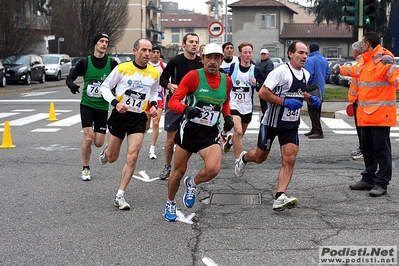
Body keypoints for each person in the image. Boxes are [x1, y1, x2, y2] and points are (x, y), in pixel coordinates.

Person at [234, 40, 321, 211]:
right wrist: (284, 103)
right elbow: (263, 92)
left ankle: (279, 196)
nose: (304, 56)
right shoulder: (280, 72)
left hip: (290, 124)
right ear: (290, 54)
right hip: (271, 123)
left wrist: (310, 98)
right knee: (260, 157)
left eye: (306, 54)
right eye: (300, 53)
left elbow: (297, 91)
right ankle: (244, 158)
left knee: (290, 158)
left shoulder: (305, 74)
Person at [163, 43, 233, 222]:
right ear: (202, 59)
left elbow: (224, 102)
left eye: (216, 58)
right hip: (189, 131)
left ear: (221, 60)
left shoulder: (227, 80)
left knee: (213, 169)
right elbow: (173, 102)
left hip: (209, 132)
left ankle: (192, 183)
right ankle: (170, 203)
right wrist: (186, 109)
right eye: (209, 57)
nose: (212, 62)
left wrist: (227, 115)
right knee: (178, 172)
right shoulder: (193, 76)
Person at [98, 38, 159, 210]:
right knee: (112, 158)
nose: (147, 54)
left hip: (138, 117)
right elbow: (104, 87)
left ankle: (120, 195)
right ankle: (107, 151)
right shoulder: (122, 69)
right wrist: (115, 103)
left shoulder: (154, 73)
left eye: (150, 50)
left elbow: (154, 92)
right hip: (120, 115)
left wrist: (153, 106)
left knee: (132, 156)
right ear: (135, 51)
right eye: (144, 50)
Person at [340, 32, 399, 197]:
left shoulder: (384, 60)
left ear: (367, 44)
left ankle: (382, 182)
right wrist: (340, 69)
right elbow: (352, 70)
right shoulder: (365, 61)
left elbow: (396, 77)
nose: (361, 45)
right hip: (365, 114)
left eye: (362, 42)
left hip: (380, 116)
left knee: (381, 149)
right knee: (367, 147)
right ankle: (369, 178)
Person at [66, 33, 119, 181]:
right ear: (95, 44)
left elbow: (121, 80)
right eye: (101, 41)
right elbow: (70, 77)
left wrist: (116, 92)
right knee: (88, 138)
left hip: (102, 107)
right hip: (87, 105)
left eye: (106, 42)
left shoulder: (112, 63)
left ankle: (104, 150)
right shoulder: (85, 62)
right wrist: (72, 86)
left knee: (98, 142)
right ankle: (85, 168)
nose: (104, 44)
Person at [157, 33, 203, 180]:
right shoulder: (175, 61)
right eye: (191, 42)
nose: (194, 44)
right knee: (171, 140)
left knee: (193, 138)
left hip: (193, 104)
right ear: (184, 44)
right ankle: (167, 166)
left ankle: (181, 166)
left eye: (196, 42)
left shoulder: (201, 62)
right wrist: (170, 85)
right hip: (175, 103)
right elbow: (162, 79)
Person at [221, 42, 263, 166]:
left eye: (249, 52)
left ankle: (229, 140)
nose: (247, 55)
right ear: (240, 54)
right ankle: (238, 161)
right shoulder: (234, 67)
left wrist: (257, 85)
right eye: (245, 52)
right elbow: (225, 80)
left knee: (239, 135)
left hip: (247, 107)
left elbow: (263, 89)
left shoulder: (256, 70)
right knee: (238, 132)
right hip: (234, 104)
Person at [303, 42, 329, 139]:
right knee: (318, 109)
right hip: (321, 88)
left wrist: (305, 85)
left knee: (312, 110)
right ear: (318, 49)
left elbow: (308, 75)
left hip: (312, 88)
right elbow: (327, 74)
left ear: (310, 50)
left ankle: (318, 131)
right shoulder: (324, 60)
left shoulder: (310, 60)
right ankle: (314, 129)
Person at [146, 45, 167, 159]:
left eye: (157, 52)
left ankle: (152, 149)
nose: (155, 54)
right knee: (146, 125)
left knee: (156, 122)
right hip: (145, 97)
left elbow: (170, 78)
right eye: (153, 52)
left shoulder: (164, 66)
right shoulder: (145, 65)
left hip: (158, 96)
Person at [347, 41, 363, 161]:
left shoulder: (361, 63)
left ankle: (363, 150)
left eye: (353, 50)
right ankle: (362, 148)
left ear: (356, 51)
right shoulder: (360, 62)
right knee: (360, 128)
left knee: (361, 128)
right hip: (358, 101)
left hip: (361, 102)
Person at [257, 48, 274, 115]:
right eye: (262, 54)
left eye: (264, 54)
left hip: (266, 86)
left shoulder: (269, 63)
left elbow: (269, 76)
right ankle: (264, 115)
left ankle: (266, 116)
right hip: (260, 85)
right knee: (262, 103)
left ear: (268, 55)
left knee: (265, 104)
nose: (263, 55)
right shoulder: (260, 62)